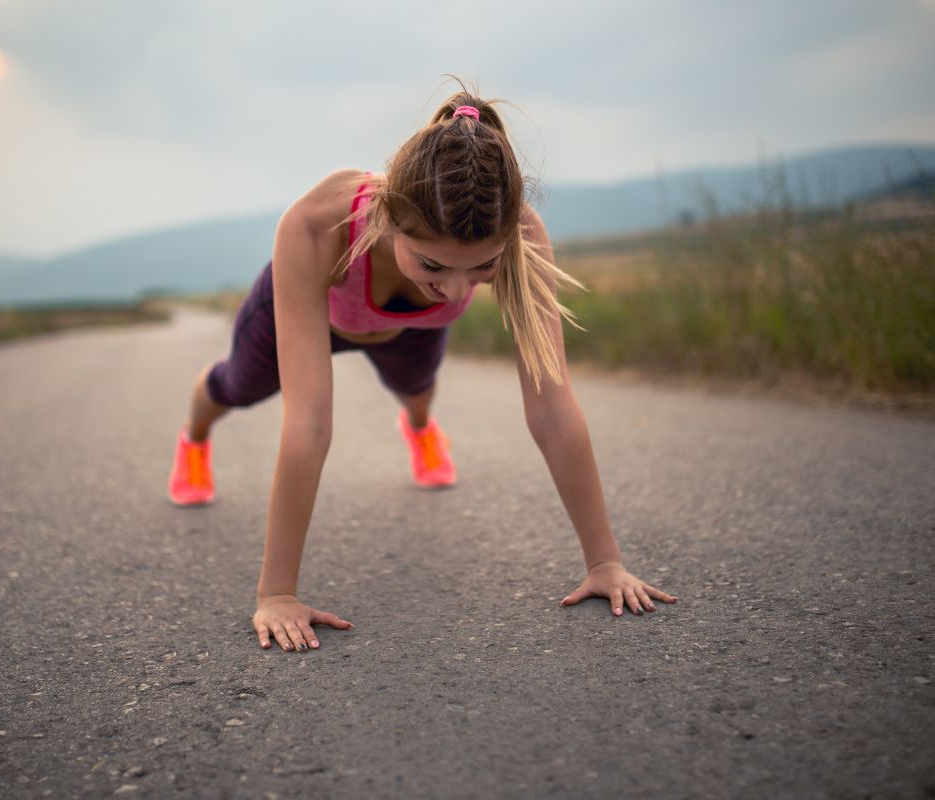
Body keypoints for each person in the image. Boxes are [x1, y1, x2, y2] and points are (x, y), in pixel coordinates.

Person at [166, 85, 679, 654]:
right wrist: (277, 594)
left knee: (416, 392)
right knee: (236, 386)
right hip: (323, 312)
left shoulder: (521, 232)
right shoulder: (316, 225)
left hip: (410, 325)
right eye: (433, 263)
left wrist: (605, 561)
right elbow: (309, 422)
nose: (459, 289)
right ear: (387, 218)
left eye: (482, 267)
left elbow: (552, 407)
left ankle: (418, 428)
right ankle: (194, 439)